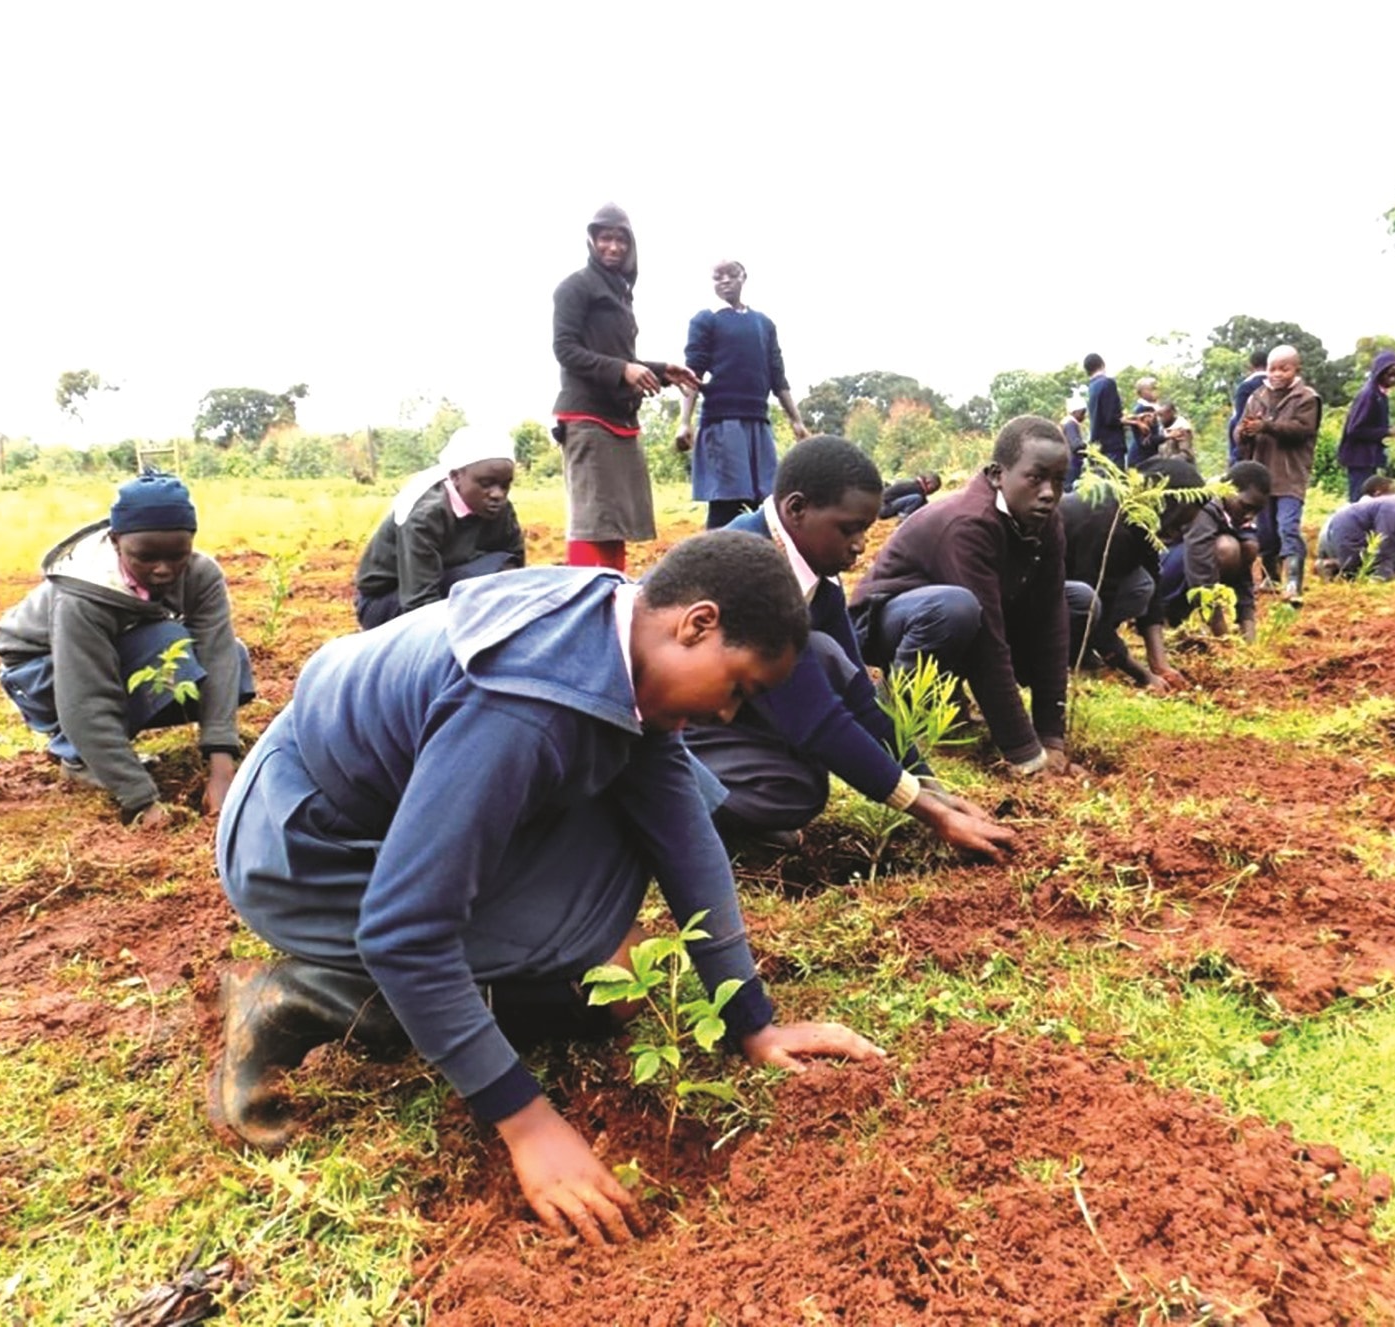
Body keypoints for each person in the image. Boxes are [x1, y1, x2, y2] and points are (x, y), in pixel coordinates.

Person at [210, 532, 884, 1247]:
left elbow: (684, 838)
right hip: (303, 844)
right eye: (738, 687)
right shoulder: (524, 705)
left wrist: (753, 1020)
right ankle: (305, 997)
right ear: (697, 623)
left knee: (610, 939)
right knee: (589, 975)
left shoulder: (620, 634)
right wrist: (528, 1121)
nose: (725, 714)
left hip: (380, 799)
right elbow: (405, 930)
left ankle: (508, 966)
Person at [685, 438, 1015, 859]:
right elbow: (818, 721)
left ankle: (721, 803)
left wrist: (932, 787)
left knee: (822, 656)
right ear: (797, 508)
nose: (860, 545)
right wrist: (933, 815)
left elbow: (858, 695)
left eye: (866, 529)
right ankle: (680, 815)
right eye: (848, 528)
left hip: (712, 711)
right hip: (659, 724)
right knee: (793, 789)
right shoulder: (753, 571)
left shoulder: (816, 578)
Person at [0, 471, 253, 828]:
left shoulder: (200, 574)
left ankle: (98, 753)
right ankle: (79, 756)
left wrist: (222, 772)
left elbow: (218, 658)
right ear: (116, 541)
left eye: (177, 556)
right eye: (145, 558)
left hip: (110, 656)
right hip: (40, 673)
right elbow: (84, 698)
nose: (163, 570)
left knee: (232, 658)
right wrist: (141, 800)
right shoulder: (81, 597)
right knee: (168, 644)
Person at [852, 416, 1075, 777]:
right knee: (957, 609)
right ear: (997, 474)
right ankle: (897, 705)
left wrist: (1051, 738)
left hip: (966, 614)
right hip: (889, 624)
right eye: (1035, 478)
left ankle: (951, 699)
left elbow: (1052, 620)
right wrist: (1027, 756)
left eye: (1059, 481)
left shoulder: (1047, 522)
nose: (1049, 492)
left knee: (1074, 601)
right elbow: (987, 641)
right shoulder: (968, 525)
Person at [552, 202, 699, 571]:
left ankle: (611, 597)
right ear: (591, 240)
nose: (613, 247)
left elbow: (617, 357)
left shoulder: (620, 294)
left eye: (621, 239)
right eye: (605, 238)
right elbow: (565, 349)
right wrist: (622, 370)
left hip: (619, 418)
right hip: (587, 416)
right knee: (591, 524)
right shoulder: (575, 287)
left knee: (613, 523)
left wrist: (663, 371)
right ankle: (586, 605)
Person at [675, 260, 810, 529]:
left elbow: (777, 374)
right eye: (718, 277)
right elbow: (692, 374)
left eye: (731, 275)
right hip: (723, 424)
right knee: (727, 501)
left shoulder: (763, 323)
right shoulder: (706, 319)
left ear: (744, 278)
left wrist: (797, 420)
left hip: (757, 423)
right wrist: (684, 421)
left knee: (767, 500)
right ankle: (715, 563)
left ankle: (758, 560)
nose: (725, 281)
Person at [353, 425, 525, 629]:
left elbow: (515, 572)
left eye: (505, 485)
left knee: (505, 571)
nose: (497, 494)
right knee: (485, 585)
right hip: (389, 601)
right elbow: (419, 602)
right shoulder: (426, 517)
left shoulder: (500, 510)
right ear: (455, 477)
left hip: (444, 582)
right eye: (486, 483)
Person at [1061, 456, 1207, 692]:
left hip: (1081, 589)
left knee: (1142, 586)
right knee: (1090, 603)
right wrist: (1142, 675)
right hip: (1044, 594)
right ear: (1164, 504)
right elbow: (1091, 608)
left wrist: (1160, 664)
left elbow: (1154, 590)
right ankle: (1072, 653)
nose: (1177, 531)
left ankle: (1085, 648)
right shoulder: (1111, 527)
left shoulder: (1140, 518)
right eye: (1178, 521)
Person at [1152, 460, 1269, 653]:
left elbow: (1244, 577)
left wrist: (1249, 637)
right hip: (1159, 572)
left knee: (1248, 547)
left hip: (1183, 568)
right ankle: (1164, 613)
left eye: (1256, 511)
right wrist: (1224, 643)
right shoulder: (1204, 507)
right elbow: (1201, 577)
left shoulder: (1237, 515)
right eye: (1246, 506)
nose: (1250, 516)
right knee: (1226, 549)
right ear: (1228, 491)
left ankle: (1176, 617)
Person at [1239, 345, 1322, 606]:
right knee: (1266, 533)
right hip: (1261, 476)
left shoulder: (1307, 398)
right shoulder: (1257, 396)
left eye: (1284, 369)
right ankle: (1271, 578)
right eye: (1273, 368)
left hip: (1289, 475)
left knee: (1288, 528)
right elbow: (1239, 433)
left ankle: (1294, 582)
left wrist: (1266, 426)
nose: (1277, 374)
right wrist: (1245, 431)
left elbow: (1302, 430)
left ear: (1296, 369)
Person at [1337, 351, 1395, 500]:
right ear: (1379, 372)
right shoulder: (1369, 395)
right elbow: (1355, 429)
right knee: (1360, 502)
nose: (1393, 379)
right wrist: (1389, 431)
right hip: (1359, 458)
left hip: (1368, 458)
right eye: (1390, 375)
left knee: (1368, 500)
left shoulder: (1380, 395)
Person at [1085, 353, 1128, 471]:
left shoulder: (1092, 387)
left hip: (1098, 445)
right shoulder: (1108, 383)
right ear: (1103, 365)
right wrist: (1130, 421)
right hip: (1112, 444)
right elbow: (1111, 418)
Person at [1226, 348, 1268, 464]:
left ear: (1250, 366)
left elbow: (1240, 419)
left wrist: (1235, 456)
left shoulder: (1246, 386)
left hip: (1248, 445)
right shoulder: (1278, 384)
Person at [1125, 377, 1162, 469]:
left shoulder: (1155, 408)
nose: (1155, 391)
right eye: (1151, 389)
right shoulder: (1143, 409)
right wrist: (1168, 436)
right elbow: (1145, 441)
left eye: (1156, 388)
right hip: (1142, 458)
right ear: (1141, 393)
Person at [878, 472, 942, 520]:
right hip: (884, 508)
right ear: (928, 482)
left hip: (882, 506)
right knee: (916, 498)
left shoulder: (913, 484)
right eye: (933, 488)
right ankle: (903, 519)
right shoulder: (917, 488)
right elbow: (925, 506)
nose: (932, 492)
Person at [1061, 392, 1089, 491]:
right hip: (1071, 465)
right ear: (1076, 412)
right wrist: (1088, 446)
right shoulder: (1070, 424)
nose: (1084, 416)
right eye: (1083, 412)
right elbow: (1075, 445)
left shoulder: (1069, 423)